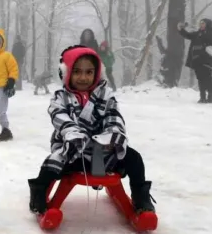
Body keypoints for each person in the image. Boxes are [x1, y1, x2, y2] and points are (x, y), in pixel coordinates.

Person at [27, 45, 155, 216]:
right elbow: (59, 116)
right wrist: (73, 134)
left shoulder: (105, 95)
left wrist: (111, 137)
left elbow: (113, 116)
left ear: (96, 73)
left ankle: (141, 197)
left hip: (103, 152)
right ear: (66, 73)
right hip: (73, 151)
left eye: (89, 72)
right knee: (52, 163)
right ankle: (39, 193)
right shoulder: (60, 97)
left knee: (134, 159)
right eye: (77, 72)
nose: (83, 77)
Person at [178, 19, 212, 103]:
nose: (201, 25)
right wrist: (181, 29)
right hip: (197, 59)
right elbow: (188, 35)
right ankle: (202, 97)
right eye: (200, 23)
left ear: (207, 24)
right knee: (200, 78)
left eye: (203, 23)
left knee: (208, 77)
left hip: (208, 60)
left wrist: (204, 45)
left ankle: (210, 97)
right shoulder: (198, 33)